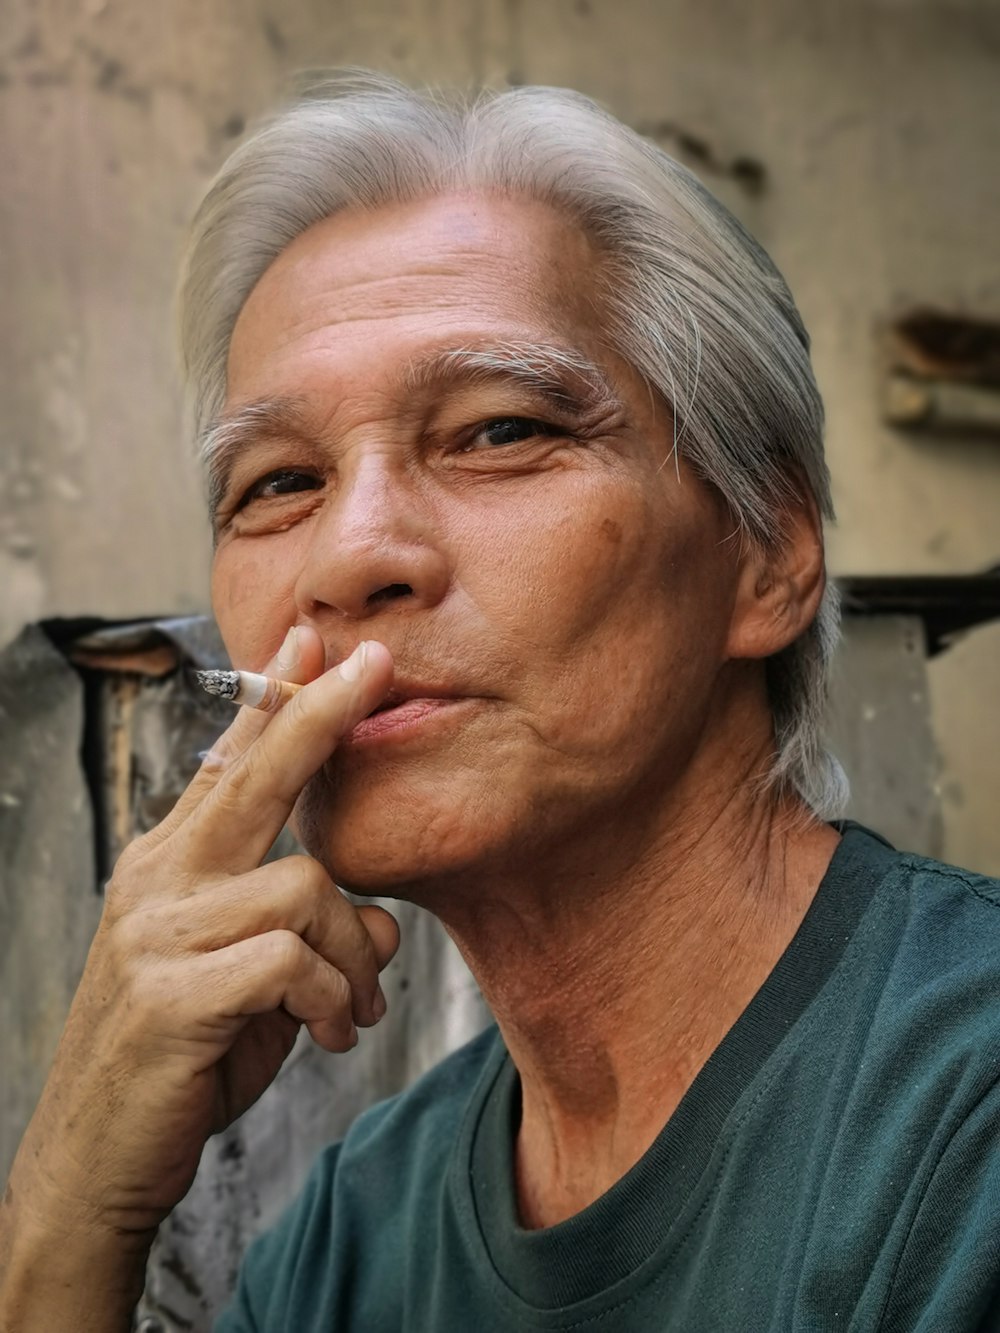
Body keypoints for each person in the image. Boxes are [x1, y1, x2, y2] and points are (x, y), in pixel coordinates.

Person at [2, 72, 999, 1333]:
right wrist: (67, 1209)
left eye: (497, 431)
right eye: (277, 482)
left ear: (768, 554)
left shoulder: (962, 1126)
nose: (346, 556)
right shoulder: (350, 1233)